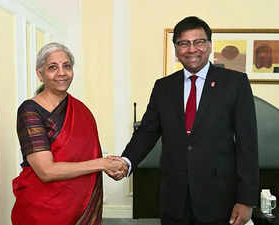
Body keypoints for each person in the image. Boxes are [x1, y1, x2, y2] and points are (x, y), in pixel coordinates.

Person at [111, 16, 259, 225]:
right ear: (176, 48)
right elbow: (147, 132)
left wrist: (246, 200)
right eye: (184, 43)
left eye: (198, 42)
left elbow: (248, 144)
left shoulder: (235, 84)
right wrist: (127, 161)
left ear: (209, 45)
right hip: (174, 197)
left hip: (218, 197)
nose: (191, 49)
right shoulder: (163, 87)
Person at [11, 42, 127, 225]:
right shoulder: (30, 111)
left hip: (80, 206)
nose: (61, 73)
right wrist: (102, 164)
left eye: (67, 66)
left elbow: (89, 154)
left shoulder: (81, 110)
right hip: (41, 210)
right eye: (52, 67)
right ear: (40, 74)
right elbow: (46, 171)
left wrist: (111, 165)